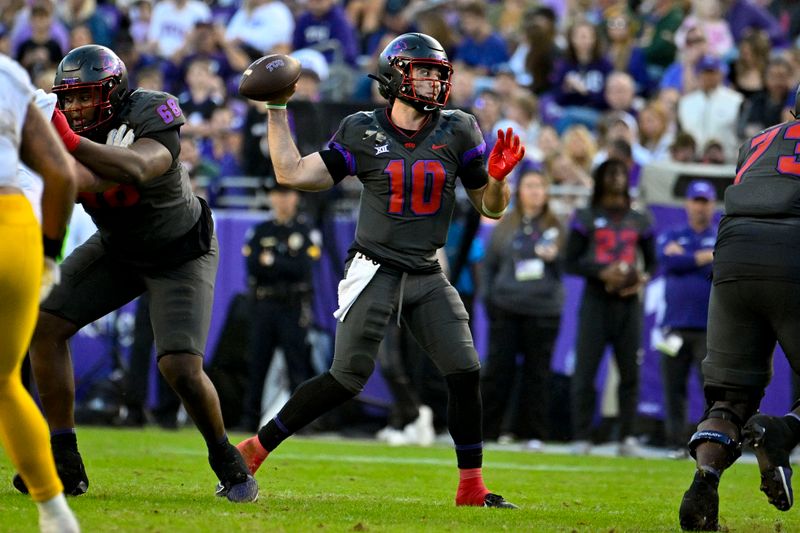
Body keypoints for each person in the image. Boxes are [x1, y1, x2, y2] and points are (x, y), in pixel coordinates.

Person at [235, 32, 525, 509]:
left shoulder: (459, 129)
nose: (434, 81)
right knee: (346, 378)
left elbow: (490, 208)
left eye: (438, 72)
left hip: (427, 272)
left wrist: (496, 180)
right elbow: (293, 174)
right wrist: (277, 109)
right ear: (395, 76)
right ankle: (254, 448)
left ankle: (471, 488)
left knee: (465, 369)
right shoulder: (361, 129)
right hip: (375, 268)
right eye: (424, 71)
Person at [11, 44, 258, 503]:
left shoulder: (152, 108)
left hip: (179, 250)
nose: (74, 107)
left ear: (113, 91)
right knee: (42, 324)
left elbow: (139, 167)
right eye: (67, 98)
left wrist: (63, 140)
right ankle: (64, 457)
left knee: (180, 367)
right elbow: (73, 181)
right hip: (118, 248)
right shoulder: (63, 133)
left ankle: (226, 458)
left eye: (85, 96)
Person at [678, 87, 800, 530]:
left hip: (731, 256)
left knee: (729, 400)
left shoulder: (757, 141)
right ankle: (781, 433)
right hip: (793, 250)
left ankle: (704, 481)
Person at [0, 53, 79, 533]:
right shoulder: (8, 72)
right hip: (16, 231)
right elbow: (62, 176)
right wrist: (49, 255)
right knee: (5, 381)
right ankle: (53, 511)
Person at [564, 158, 657, 457]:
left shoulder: (639, 219)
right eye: (611, 173)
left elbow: (653, 262)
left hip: (628, 303)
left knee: (630, 372)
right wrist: (601, 273)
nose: (617, 178)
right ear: (600, 178)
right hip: (596, 300)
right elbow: (570, 262)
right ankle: (581, 435)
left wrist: (640, 280)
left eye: (621, 173)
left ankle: (627, 435)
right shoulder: (586, 216)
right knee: (586, 371)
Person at [481, 167, 564, 451]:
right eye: (529, 186)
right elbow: (489, 266)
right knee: (497, 370)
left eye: (539, 187)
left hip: (543, 311)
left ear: (547, 193)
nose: (534, 192)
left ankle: (534, 434)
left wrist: (557, 257)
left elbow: (570, 265)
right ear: (519, 191)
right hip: (506, 307)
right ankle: (489, 432)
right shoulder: (504, 225)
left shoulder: (558, 226)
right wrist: (489, 300)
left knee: (537, 374)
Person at [238, 180, 319, 432]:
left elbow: (303, 268)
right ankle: (249, 419)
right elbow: (252, 266)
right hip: (264, 304)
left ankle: (301, 421)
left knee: (297, 363)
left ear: (295, 197)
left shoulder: (305, 231)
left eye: (287, 194)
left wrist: (272, 261)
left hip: (292, 305)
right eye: (277, 194)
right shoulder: (260, 230)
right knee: (257, 363)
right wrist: (283, 263)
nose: (282, 199)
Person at [656, 180, 717, 458]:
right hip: (675, 325)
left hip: (708, 327)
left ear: (713, 205)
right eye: (696, 200)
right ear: (687, 204)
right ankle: (674, 442)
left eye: (705, 201)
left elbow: (722, 262)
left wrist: (688, 258)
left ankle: (710, 442)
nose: (700, 206)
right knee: (673, 387)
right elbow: (668, 262)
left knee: (710, 389)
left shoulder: (720, 236)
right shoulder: (672, 234)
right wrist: (703, 257)